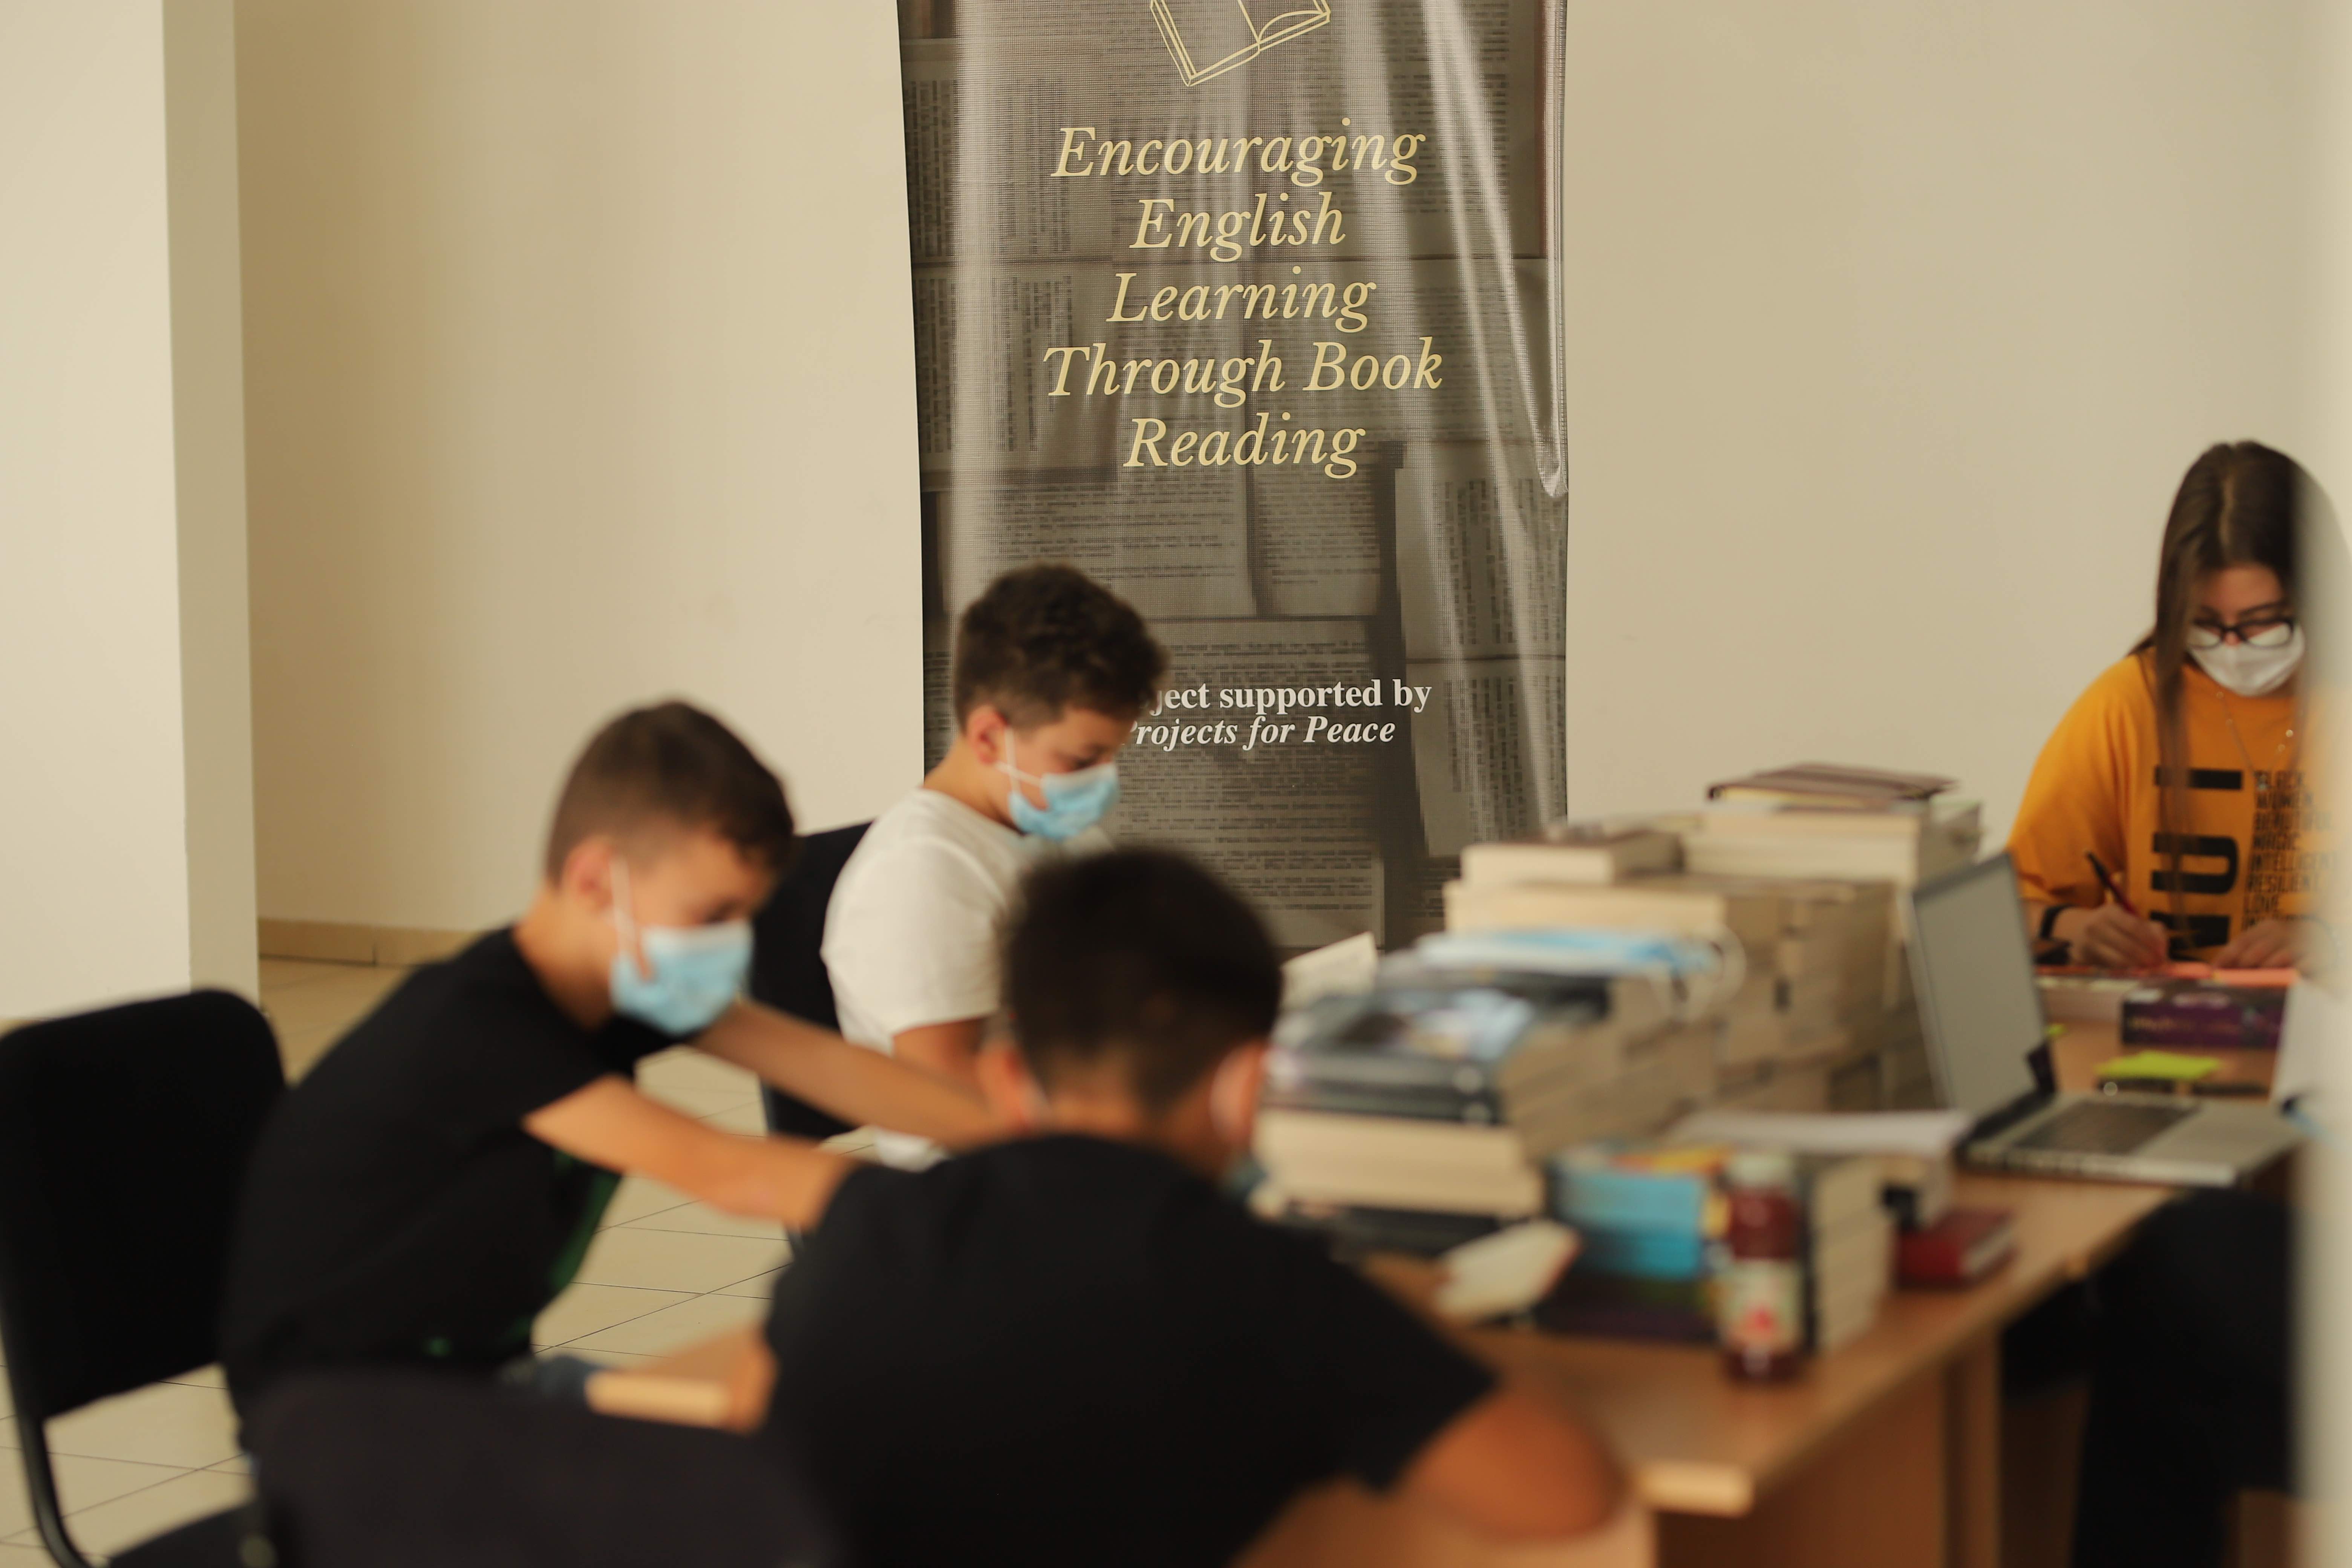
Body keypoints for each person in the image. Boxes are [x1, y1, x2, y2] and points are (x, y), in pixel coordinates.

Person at [629, 848, 1623, 1566]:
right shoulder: (1268, 1288)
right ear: (1250, 1086)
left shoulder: (862, 1229)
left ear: (1008, 1080)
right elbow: (1570, 1498)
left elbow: (751, 1438)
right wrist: (1404, 1313)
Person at [220, 701, 995, 1413]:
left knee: (806, 1406)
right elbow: (732, 1172)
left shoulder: (617, 989)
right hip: (346, 1430)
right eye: (711, 914)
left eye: (743, 918)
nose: (729, 943)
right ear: (596, 878)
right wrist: (970, 1214)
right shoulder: (477, 1024)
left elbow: (835, 1069)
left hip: (486, 1387)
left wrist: (1031, 1136)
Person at [821, 562, 1165, 1164]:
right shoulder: (922, 876)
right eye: (1083, 758)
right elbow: (953, 1104)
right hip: (994, 1185)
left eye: (1111, 756)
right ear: (987, 738)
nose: (1102, 780)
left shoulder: (1051, 830)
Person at [2010, 441, 2335, 972]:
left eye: (2262, 621)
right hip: (2163, 1034)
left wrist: (2330, 943)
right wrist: (2075, 928)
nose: (2232, 648)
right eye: (2206, 623)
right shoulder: (2128, 706)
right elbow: (2008, 906)